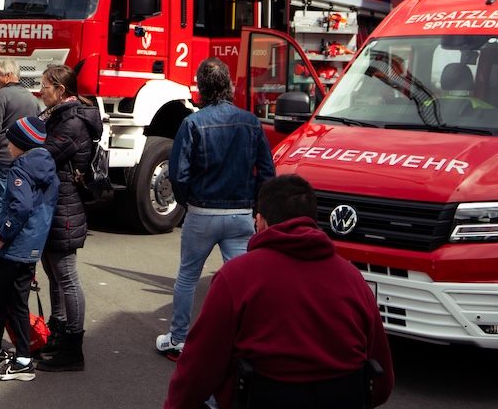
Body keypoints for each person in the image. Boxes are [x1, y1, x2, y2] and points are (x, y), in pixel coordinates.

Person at [164, 175, 394, 409]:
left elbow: (196, 372)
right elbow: (382, 383)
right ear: (313, 221)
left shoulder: (235, 278)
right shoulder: (354, 280)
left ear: (260, 222)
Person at [156, 57, 274, 359]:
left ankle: (179, 339)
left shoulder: (192, 123)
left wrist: (188, 202)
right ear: (229, 85)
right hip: (240, 214)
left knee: (187, 276)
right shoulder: (250, 121)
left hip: (202, 212)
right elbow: (267, 171)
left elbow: (178, 173)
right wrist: (257, 206)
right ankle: (247, 340)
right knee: (245, 280)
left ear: (200, 88)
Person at [34, 63, 102, 372]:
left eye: (45, 85)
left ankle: (74, 348)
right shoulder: (57, 115)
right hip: (55, 204)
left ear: (61, 90)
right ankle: (58, 330)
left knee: (67, 277)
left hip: (65, 207)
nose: (40, 90)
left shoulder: (71, 123)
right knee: (54, 272)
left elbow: (41, 157)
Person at [0, 116, 59, 382]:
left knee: (2, 303)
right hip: (32, 246)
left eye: (11, 143)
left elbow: (20, 207)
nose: (7, 148)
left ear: (22, 144)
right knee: (19, 302)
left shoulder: (20, 169)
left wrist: (2, 236)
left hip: (14, 245)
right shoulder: (48, 165)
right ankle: (23, 356)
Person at [0, 59, 40, 267]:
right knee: (18, 204)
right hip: (23, 159)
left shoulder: (2, 96)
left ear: (7, 75)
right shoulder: (31, 98)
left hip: (1, 157)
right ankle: (13, 248)